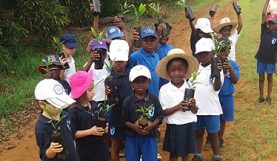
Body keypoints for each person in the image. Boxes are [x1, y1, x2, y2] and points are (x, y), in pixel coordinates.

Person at [156, 48, 199, 161]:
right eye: (173, 70)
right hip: (173, 126)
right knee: (173, 155)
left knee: (186, 154)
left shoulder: (190, 87)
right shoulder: (165, 89)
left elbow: (196, 111)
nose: (176, 73)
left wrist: (193, 105)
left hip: (188, 125)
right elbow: (163, 112)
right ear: (168, 72)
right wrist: (178, 107)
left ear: (186, 71)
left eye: (180, 69)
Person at [122, 65, 164, 161]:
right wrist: (134, 126)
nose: (140, 84)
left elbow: (160, 116)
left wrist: (151, 125)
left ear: (149, 82)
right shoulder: (128, 101)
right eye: (136, 81)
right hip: (132, 137)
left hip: (150, 136)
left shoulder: (154, 99)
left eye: (143, 81)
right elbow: (124, 120)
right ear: (131, 83)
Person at [192, 38, 224, 161]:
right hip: (197, 108)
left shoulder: (216, 68)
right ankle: (197, 155)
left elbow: (216, 88)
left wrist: (217, 73)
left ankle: (216, 156)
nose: (203, 56)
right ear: (196, 55)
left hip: (211, 108)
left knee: (213, 134)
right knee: (198, 133)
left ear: (213, 53)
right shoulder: (195, 69)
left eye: (206, 53)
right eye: (200, 53)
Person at [34, 79, 79, 161]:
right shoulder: (42, 127)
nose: (60, 107)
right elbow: (45, 156)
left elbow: (71, 138)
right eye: (55, 104)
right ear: (42, 104)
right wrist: (51, 150)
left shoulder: (65, 115)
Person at [68, 71, 108, 161]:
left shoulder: (94, 104)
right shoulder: (73, 111)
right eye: (90, 90)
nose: (93, 92)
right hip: (85, 151)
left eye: (93, 89)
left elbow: (100, 119)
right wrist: (90, 131)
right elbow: (73, 134)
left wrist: (105, 127)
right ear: (81, 92)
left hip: (100, 147)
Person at [105, 40, 133, 161]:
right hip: (115, 117)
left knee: (130, 146)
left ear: (126, 61)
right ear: (112, 61)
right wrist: (112, 97)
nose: (118, 64)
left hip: (129, 116)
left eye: (121, 62)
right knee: (115, 147)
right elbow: (113, 102)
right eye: (116, 61)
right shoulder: (109, 79)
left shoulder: (131, 77)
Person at [255, 0, 277, 105]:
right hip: (261, 59)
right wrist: (267, 1)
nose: (270, 25)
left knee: (269, 77)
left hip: (271, 61)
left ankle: (268, 97)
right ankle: (261, 96)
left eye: (273, 23)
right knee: (261, 78)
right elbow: (263, 13)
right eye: (269, 23)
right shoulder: (264, 30)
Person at [218, 47, 240, 148]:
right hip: (215, 96)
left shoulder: (233, 64)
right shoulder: (213, 63)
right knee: (214, 117)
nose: (222, 54)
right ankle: (211, 137)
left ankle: (219, 138)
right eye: (220, 51)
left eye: (224, 51)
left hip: (227, 95)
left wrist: (230, 68)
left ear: (228, 51)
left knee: (223, 119)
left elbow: (235, 80)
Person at [129, 27, 160, 97]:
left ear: (156, 41)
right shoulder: (135, 56)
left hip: (155, 96)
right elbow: (126, 64)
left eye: (152, 40)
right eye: (146, 40)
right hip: (141, 97)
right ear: (141, 41)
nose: (149, 43)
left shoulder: (157, 56)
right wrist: (131, 44)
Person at [155, 19, 174, 88]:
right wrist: (158, 32)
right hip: (159, 80)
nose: (164, 37)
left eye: (166, 34)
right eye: (161, 35)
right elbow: (155, 49)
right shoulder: (155, 47)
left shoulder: (170, 47)